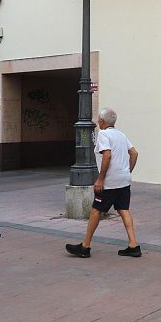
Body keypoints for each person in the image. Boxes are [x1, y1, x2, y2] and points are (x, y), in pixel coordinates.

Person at [66, 107, 141, 258]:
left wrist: (100, 179)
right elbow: (134, 153)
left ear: (102, 121)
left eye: (99, 120)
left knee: (96, 210)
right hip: (123, 180)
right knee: (123, 210)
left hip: (109, 183)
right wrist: (127, 171)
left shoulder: (103, 134)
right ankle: (133, 245)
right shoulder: (121, 135)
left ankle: (85, 246)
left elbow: (106, 155)